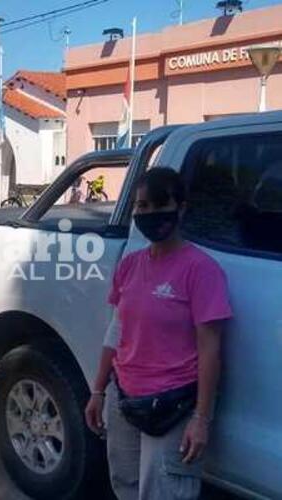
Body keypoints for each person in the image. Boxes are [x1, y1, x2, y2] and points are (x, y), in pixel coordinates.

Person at [84, 167, 232, 500]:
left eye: (159, 205)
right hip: (124, 398)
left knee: (164, 493)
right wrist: (98, 390)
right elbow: (117, 329)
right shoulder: (130, 265)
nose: (150, 214)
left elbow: (210, 350)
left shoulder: (201, 270)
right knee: (125, 486)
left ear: (181, 208)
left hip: (172, 406)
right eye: (142, 207)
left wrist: (201, 419)